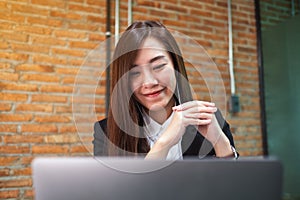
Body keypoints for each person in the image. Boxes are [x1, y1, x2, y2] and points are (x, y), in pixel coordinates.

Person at [93, 20, 238, 160]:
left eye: (158, 66)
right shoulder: (107, 133)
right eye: (135, 73)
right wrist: (164, 142)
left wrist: (220, 142)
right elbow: (120, 186)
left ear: (175, 66)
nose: (149, 82)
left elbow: (235, 184)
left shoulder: (206, 119)